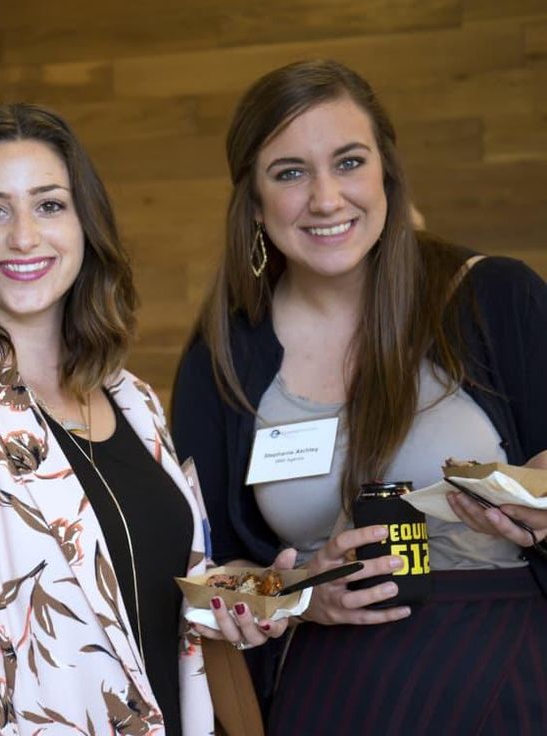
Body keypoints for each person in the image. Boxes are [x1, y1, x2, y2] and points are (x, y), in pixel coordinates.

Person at [171, 59, 547, 734]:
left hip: (510, 671)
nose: (325, 198)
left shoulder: (495, 296)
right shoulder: (221, 358)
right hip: (332, 692)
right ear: (254, 203)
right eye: (290, 173)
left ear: (386, 173)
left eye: (348, 162)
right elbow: (203, 590)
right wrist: (294, 597)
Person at [0, 102, 216, 734]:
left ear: (86, 225)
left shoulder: (134, 399)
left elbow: (158, 606)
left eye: (50, 205)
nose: (23, 236)